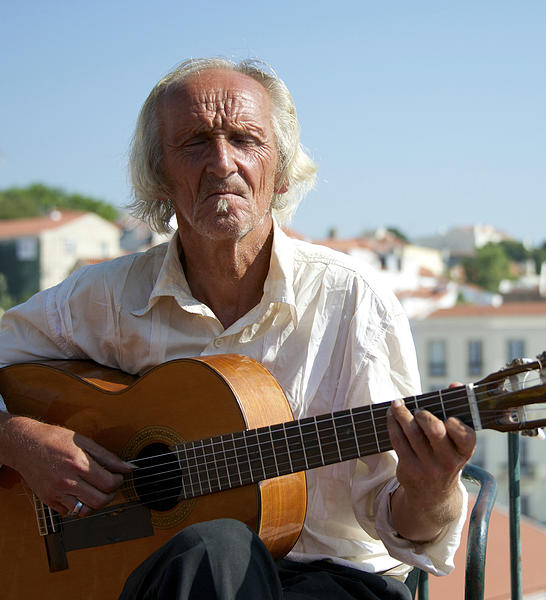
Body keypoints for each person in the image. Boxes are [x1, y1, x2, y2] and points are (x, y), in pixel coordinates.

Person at [0, 57, 476, 599]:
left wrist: (431, 488)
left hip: (332, 581)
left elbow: (408, 532)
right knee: (213, 552)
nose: (222, 162)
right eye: (195, 142)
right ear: (158, 178)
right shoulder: (106, 298)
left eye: (245, 140)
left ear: (281, 171)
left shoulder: (352, 302)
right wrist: (18, 439)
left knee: (216, 549)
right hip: (156, 581)